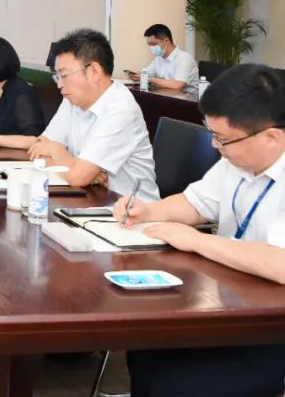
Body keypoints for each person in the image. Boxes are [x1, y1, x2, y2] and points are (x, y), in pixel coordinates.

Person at [115, 63, 285, 395]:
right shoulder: (236, 162)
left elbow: (280, 264)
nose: (215, 147)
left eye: (223, 139)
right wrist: (149, 211)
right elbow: (195, 203)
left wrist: (196, 241)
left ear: (271, 137)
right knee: (145, 352)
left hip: (272, 330)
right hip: (232, 310)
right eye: (212, 135)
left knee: (176, 384)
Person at [28, 29, 159, 197]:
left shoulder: (120, 109)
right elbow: (39, 150)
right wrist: (77, 169)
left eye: (64, 75)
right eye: (57, 77)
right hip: (94, 198)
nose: (59, 84)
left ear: (94, 71)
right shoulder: (72, 99)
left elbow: (77, 176)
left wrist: (56, 151)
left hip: (130, 208)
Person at [124, 23, 199, 90]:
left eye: (154, 44)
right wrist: (138, 76)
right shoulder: (159, 58)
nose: (151, 47)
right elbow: (147, 73)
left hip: (188, 99)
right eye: (149, 45)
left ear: (166, 41)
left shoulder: (184, 58)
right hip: (167, 96)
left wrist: (148, 78)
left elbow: (178, 85)